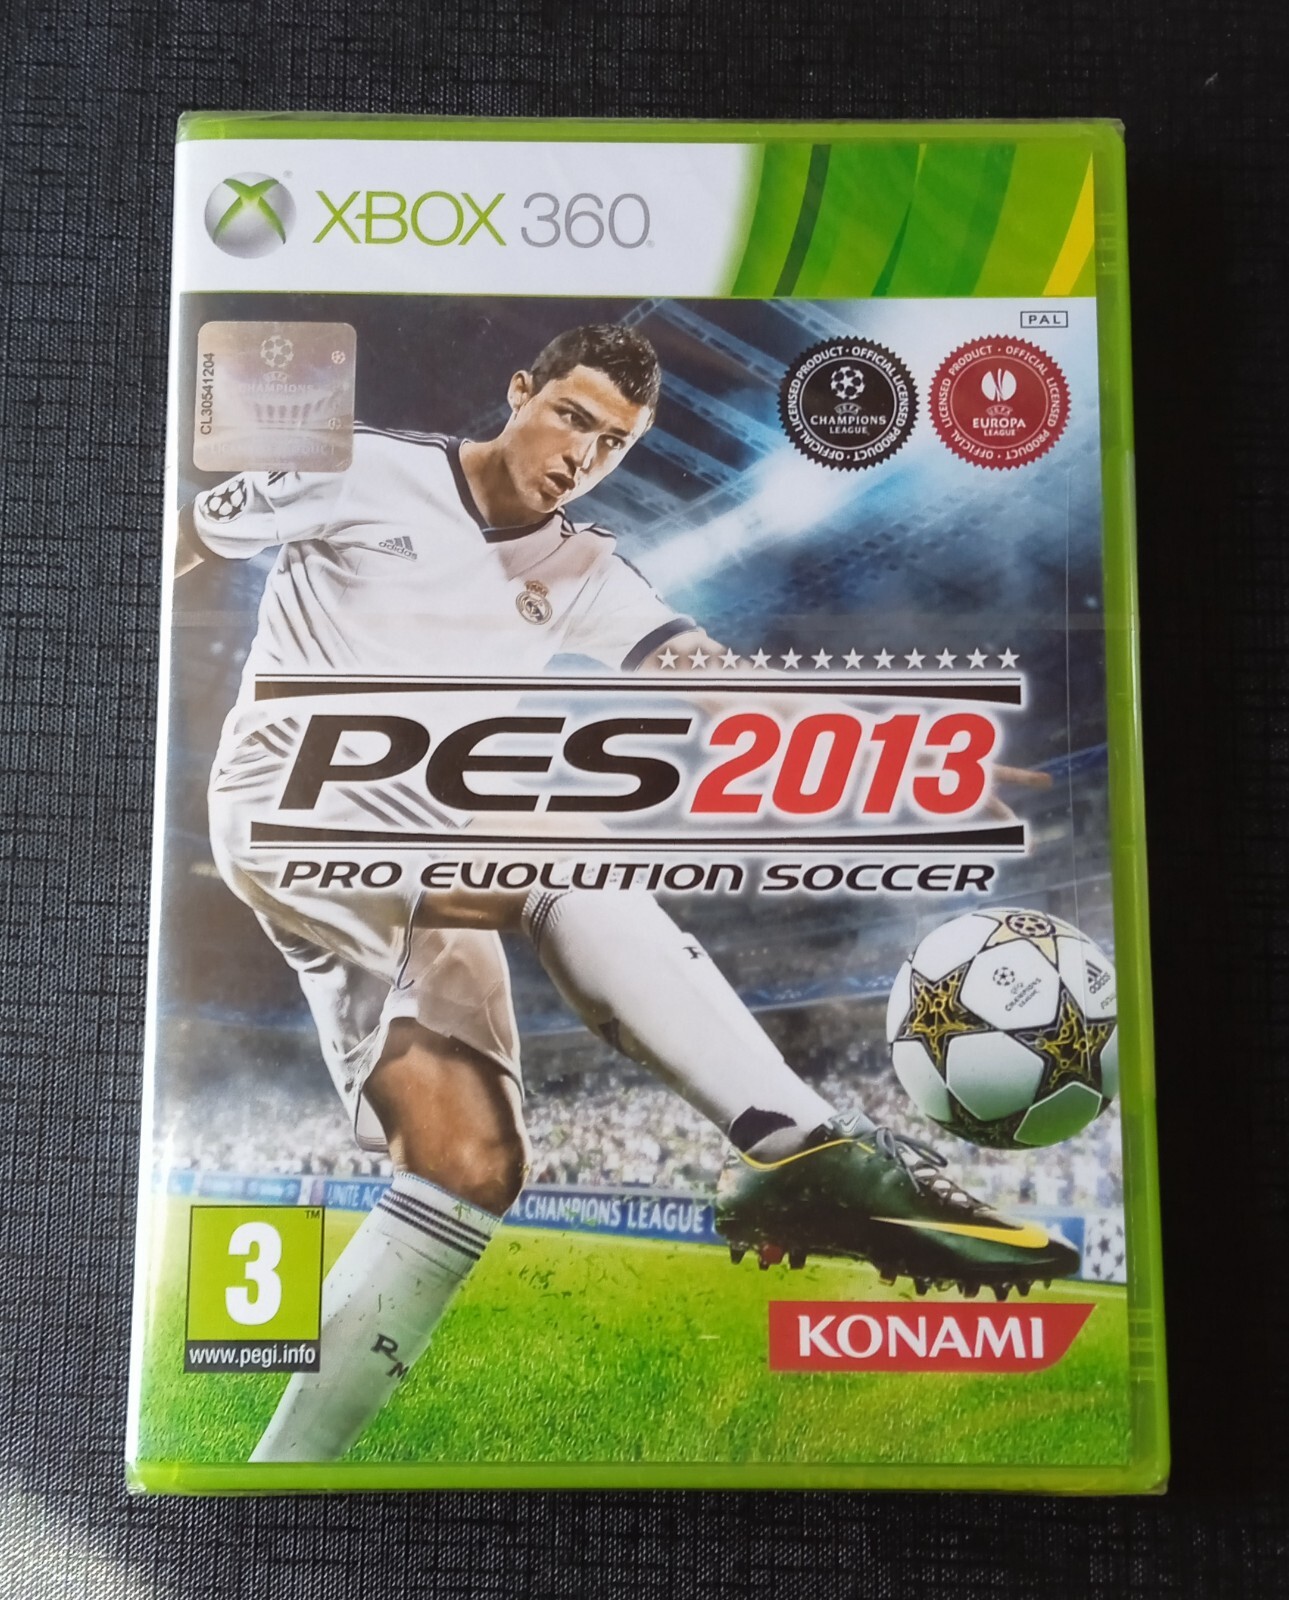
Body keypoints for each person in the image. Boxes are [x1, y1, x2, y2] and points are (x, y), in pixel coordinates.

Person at [177, 323, 1076, 1463]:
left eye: (612, 444)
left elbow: (715, 683)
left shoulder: (585, 572)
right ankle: (802, 1144)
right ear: (520, 392)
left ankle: (284, 1477)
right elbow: (190, 535)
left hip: (416, 851)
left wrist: (893, 750)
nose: (581, 456)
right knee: (551, 829)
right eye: (571, 417)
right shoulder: (363, 465)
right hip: (292, 797)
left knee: (470, 1161)